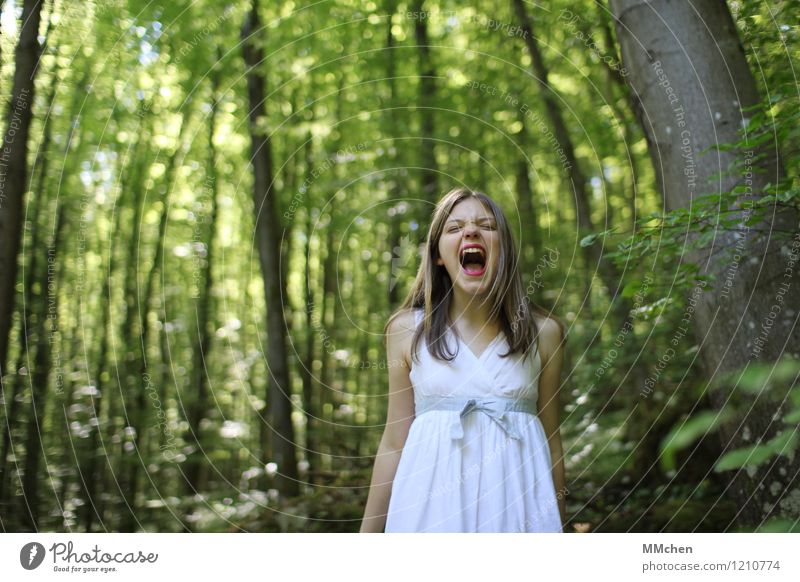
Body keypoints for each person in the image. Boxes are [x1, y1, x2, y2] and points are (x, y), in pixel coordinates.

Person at [360, 186, 567, 533]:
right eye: (454, 229)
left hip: (518, 512)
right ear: (439, 255)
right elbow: (394, 443)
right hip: (427, 513)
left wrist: (559, 525)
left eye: (486, 226)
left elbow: (551, 440)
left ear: (503, 250)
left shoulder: (544, 333)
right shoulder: (406, 331)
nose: (471, 231)